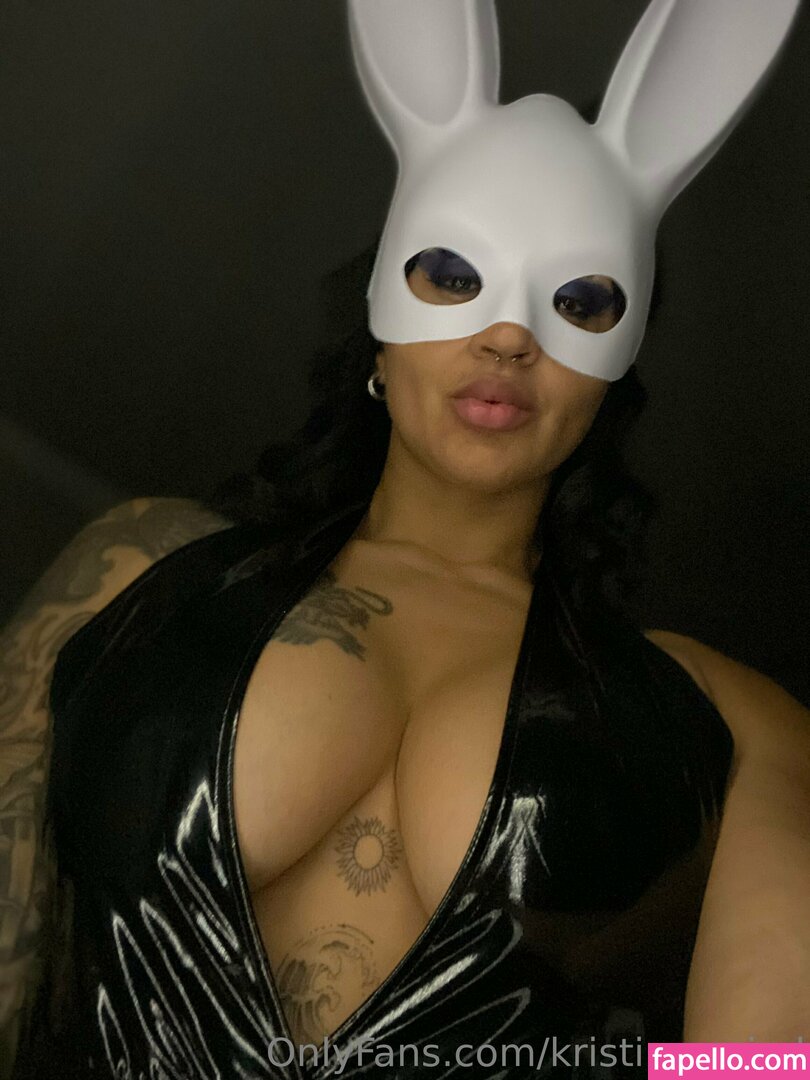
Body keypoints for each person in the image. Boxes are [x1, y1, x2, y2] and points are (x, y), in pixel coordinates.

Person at [2, 1, 808, 1077]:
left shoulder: (736, 726)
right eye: (454, 277)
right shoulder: (139, 567)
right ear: (381, 321)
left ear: (614, 377)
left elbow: (762, 1066)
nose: (509, 335)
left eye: (582, 299)